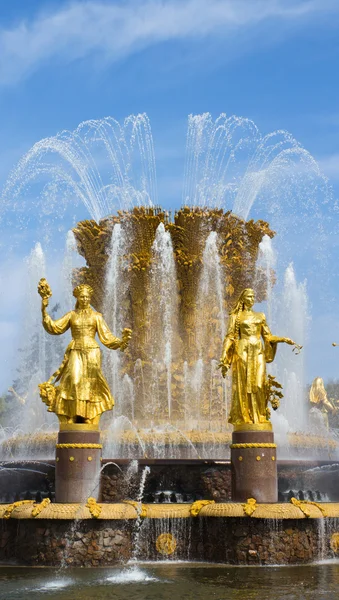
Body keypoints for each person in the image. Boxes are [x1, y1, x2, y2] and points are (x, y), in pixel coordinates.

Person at [38, 281, 131, 425]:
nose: (85, 299)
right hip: (75, 349)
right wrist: (44, 308)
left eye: (87, 297)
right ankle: (73, 413)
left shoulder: (96, 316)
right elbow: (54, 327)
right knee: (74, 380)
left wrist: (121, 342)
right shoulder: (71, 315)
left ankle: (88, 415)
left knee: (91, 383)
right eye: (82, 297)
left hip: (92, 351)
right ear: (77, 298)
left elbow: (107, 337)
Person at [218, 288, 296, 427]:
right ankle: (245, 417)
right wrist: (224, 356)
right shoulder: (236, 317)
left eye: (254, 296)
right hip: (242, 351)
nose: (252, 299)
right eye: (249, 296)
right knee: (243, 385)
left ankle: (260, 415)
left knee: (259, 384)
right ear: (243, 298)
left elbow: (267, 336)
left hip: (258, 350)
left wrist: (282, 339)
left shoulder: (261, 316)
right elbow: (230, 337)